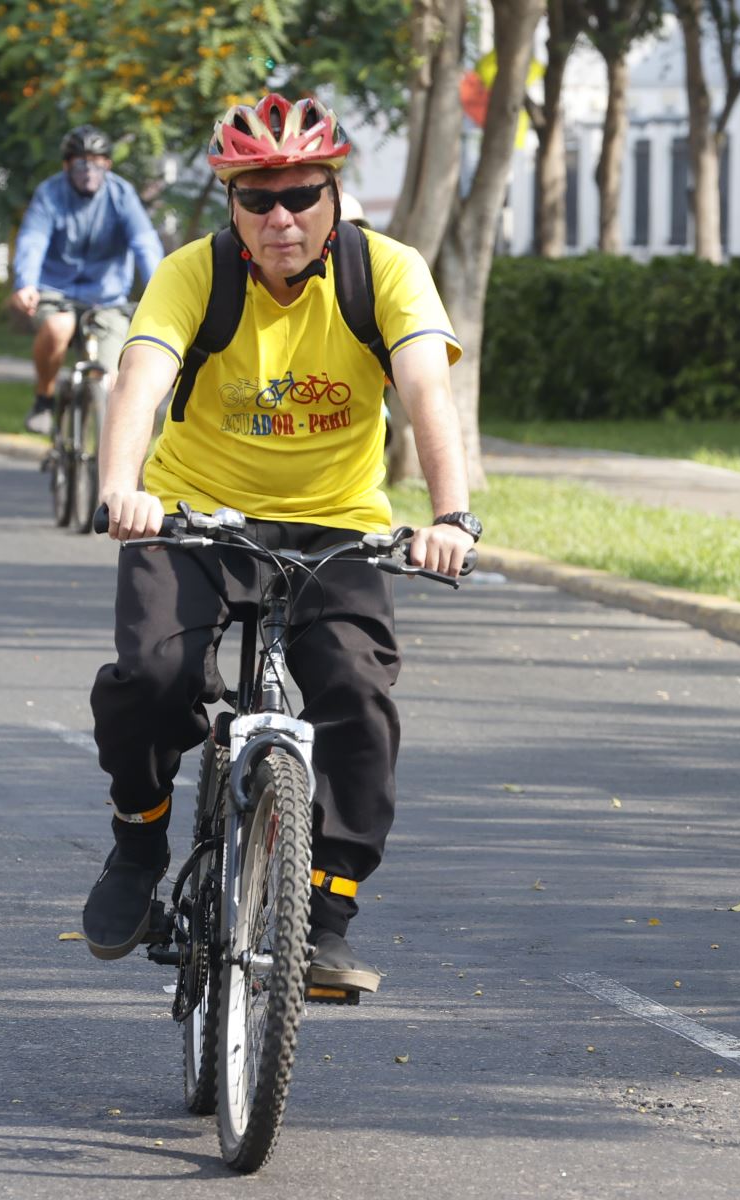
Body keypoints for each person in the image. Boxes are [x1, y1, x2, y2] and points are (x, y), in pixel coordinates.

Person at [82, 94, 481, 994]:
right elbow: (139, 379)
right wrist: (121, 487)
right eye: (257, 200)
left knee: (357, 697)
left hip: (335, 522)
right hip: (195, 516)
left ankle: (325, 914)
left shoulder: (385, 272)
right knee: (154, 677)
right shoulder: (195, 274)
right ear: (230, 205)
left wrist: (449, 516)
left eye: (300, 195)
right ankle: (139, 837)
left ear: (336, 196)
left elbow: (425, 391)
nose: (281, 219)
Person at [10, 125, 163, 435]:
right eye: (80, 161)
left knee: (108, 380)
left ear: (108, 163)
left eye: (97, 161)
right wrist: (26, 282)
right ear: (67, 164)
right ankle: (44, 397)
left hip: (107, 300)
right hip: (57, 292)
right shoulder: (50, 194)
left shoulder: (122, 195)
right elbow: (32, 240)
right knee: (58, 326)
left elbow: (145, 243)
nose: (89, 169)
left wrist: (160, 288)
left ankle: (90, 449)